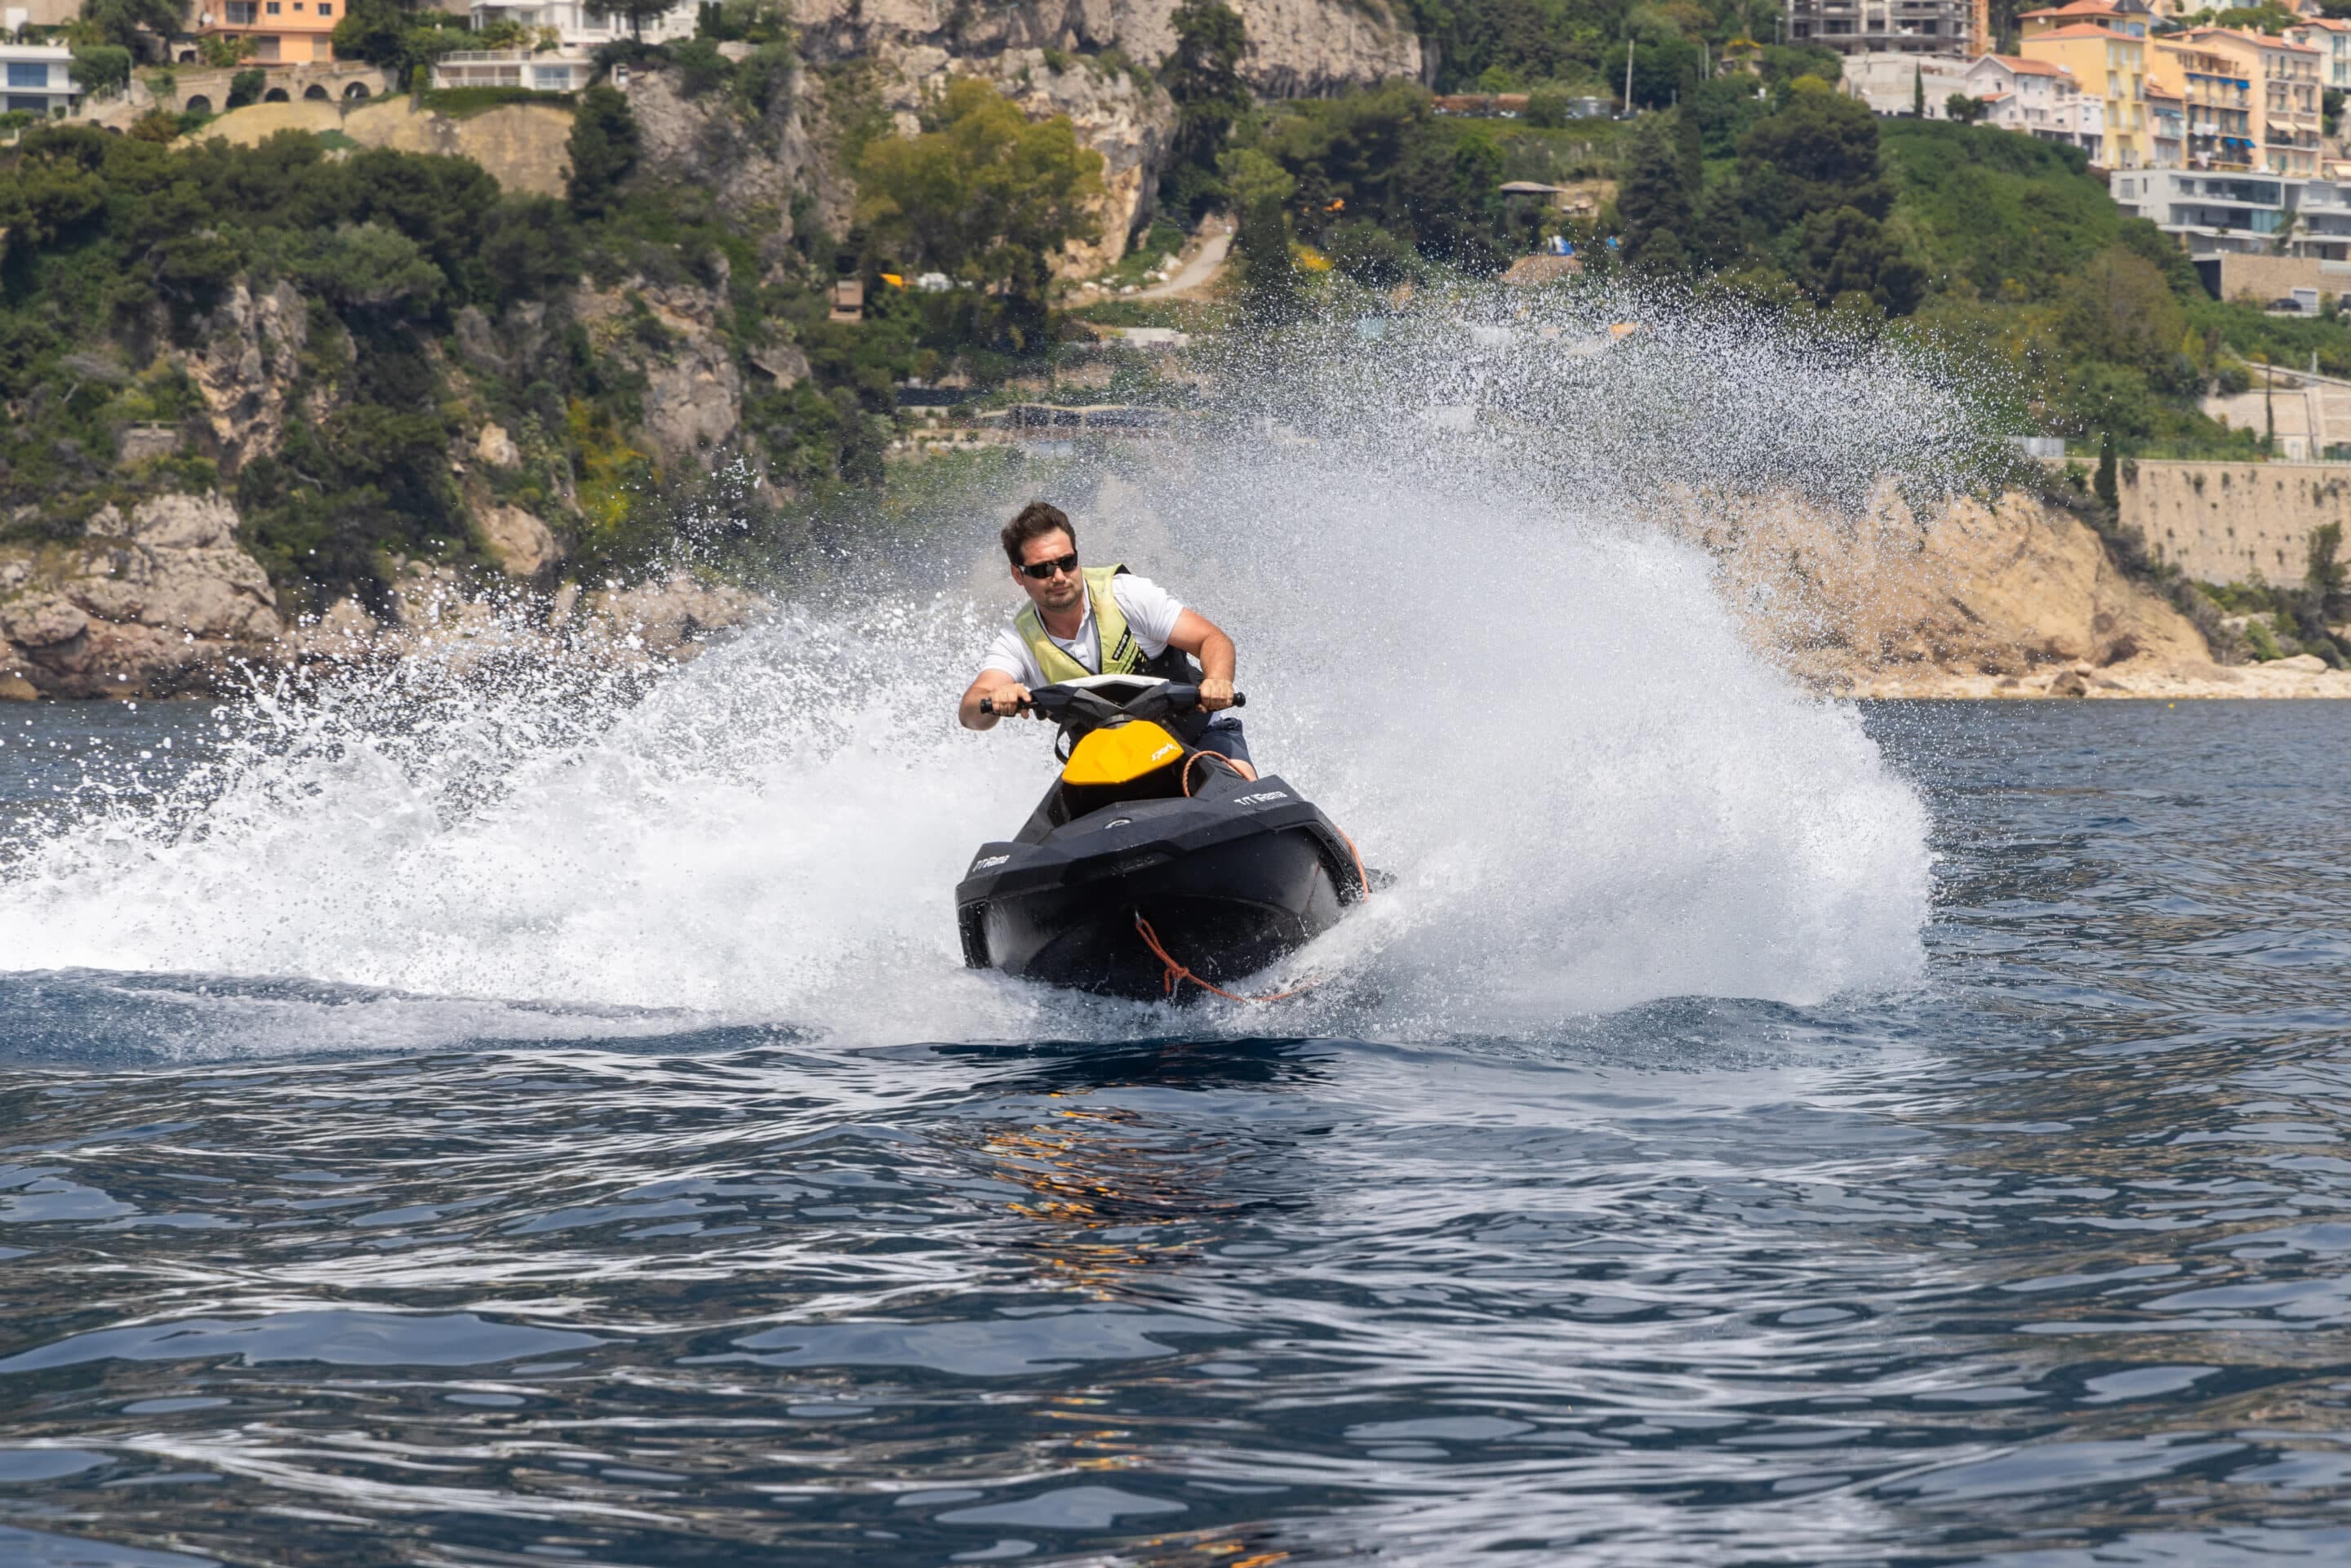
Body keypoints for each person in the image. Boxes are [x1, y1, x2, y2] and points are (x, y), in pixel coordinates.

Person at [958, 501, 1256, 778]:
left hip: (1199, 739)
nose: (1059, 576)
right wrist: (996, 699)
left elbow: (1212, 640)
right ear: (1018, 575)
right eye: (1042, 569)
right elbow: (971, 711)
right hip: (1106, 769)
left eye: (1067, 562)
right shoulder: (1018, 642)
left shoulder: (1127, 595)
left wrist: (1218, 680)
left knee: (1243, 789)